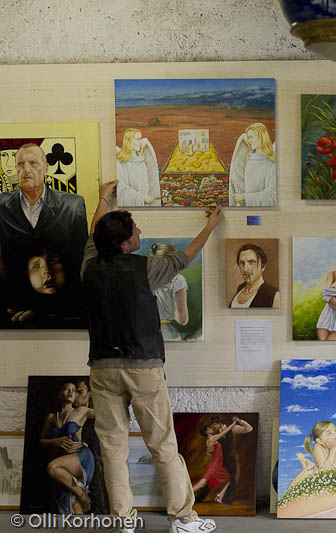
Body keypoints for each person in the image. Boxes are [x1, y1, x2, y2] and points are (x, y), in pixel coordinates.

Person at [81, 180, 222, 533]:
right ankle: (183, 518)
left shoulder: (89, 264)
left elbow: (94, 232)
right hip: (144, 368)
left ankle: (123, 522)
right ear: (125, 242)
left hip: (102, 368)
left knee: (113, 449)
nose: (140, 231)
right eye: (134, 230)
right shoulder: (148, 268)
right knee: (162, 445)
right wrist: (211, 225)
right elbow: (188, 255)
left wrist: (104, 197)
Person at [0, 143, 87, 327]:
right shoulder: (2, 207)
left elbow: (78, 262)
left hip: (64, 311)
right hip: (12, 310)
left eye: (33, 163)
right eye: (21, 164)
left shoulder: (72, 206)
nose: (26, 169)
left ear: (46, 167)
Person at [38, 381, 95, 515]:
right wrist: (55, 441)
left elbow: (106, 413)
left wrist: (90, 396)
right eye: (66, 389)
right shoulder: (52, 417)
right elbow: (41, 441)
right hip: (62, 459)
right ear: (59, 394)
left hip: (81, 456)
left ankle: (81, 494)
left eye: (74, 390)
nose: (70, 392)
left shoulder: (82, 411)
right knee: (70, 502)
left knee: (53, 468)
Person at [193, 416, 252, 504]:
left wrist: (239, 421)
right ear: (206, 432)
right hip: (218, 463)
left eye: (213, 425)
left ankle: (220, 496)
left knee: (230, 478)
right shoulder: (213, 437)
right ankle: (188, 495)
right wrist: (234, 423)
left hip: (227, 460)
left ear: (219, 424)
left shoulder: (218, 435)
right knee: (205, 482)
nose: (212, 427)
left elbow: (249, 428)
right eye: (210, 427)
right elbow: (211, 448)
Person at [73, 378, 109, 514]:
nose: (75, 396)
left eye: (80, 392)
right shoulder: (74, 411)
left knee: (99, 466)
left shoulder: (92, 414)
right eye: (74, 392)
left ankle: (103, 508)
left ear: (90, 393)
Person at [289, 421, 336, 487]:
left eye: (335, 430)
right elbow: (325, 471)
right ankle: (307, 467)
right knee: (293, 484)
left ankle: (307, 465)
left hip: (332, 478)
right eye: (329, 433)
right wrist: (333, 449)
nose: (335, 434)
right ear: (319, 440)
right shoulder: (318, 447)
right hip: (317, 475)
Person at [229, 122, 276, 207]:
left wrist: (244, 197)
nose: (249, 141)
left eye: (251, 137)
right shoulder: (249, 158)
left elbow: (272, 195)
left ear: (261, 137)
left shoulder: (270, 162)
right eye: (248, 138)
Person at [149, 243, 189, 340]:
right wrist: (168, 311)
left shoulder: (146, 278)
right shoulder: (177, 280)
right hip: (168, 334)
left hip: (147, 334)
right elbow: (182, 319)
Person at [116, 128, 161, 207]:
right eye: (137, 139)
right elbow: (121, 188)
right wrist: (141, 197)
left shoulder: (142, 160)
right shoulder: (121, 162)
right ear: (129, 141)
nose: (140, 142)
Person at [229, 243, 279, 308]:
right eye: (242, 263)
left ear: (263, 266)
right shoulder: (240, 288)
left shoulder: (273, 295)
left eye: (251, 262)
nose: (245, 269)